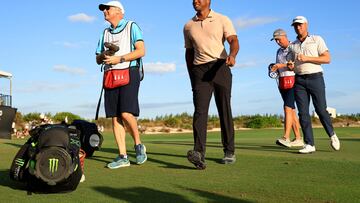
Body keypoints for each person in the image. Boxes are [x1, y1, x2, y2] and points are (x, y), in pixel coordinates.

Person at [183, 0, 239, 169]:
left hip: (220, 66)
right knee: (200, 112)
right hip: (199, 71)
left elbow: (233, 40)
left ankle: (229, 151)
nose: (195, 1)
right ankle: (199, 154)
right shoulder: (188, 26)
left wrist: (233, 55)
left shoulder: (222, 19)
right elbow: (189, 52)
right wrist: (192, 76)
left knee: (224, 109)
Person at [95, 1, 147, 168]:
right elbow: (97, 59)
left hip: (129, 71)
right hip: (110, 74)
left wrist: (119, 58)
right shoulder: (105, 32)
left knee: (125, 113)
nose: (104, 11)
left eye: (107, 8)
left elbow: (141, 51)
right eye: (103, 9)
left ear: (119, 12)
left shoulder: (131, 26)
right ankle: (122, 156)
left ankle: (138, 145)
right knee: (115, 116)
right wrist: (105, 54)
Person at [287, 16, 340, 153]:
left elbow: (327, 59)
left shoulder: (317, 39)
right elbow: (290, 63)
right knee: (303, 113)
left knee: (321, 110)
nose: (298, 27)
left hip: (315, 78)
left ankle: (332, 135)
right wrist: (290, 65)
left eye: (300, 25)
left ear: (306, 25)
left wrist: (307, 58)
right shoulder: (292, 45)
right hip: (299, 81)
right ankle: (309, 144)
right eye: (295, 25)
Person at [270, 29, 303, 148]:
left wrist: (281, 65)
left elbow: (294, 65)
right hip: (282, 81)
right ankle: (298, 138)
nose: (277, 42)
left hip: (293, 80)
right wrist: (274, 69)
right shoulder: (278, 51)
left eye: (279, 39)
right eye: (275, 40)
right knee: (292, 111)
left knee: (287, 108)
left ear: (285, 36)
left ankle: (286, 137)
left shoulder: (293, 47)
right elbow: (279, 66)